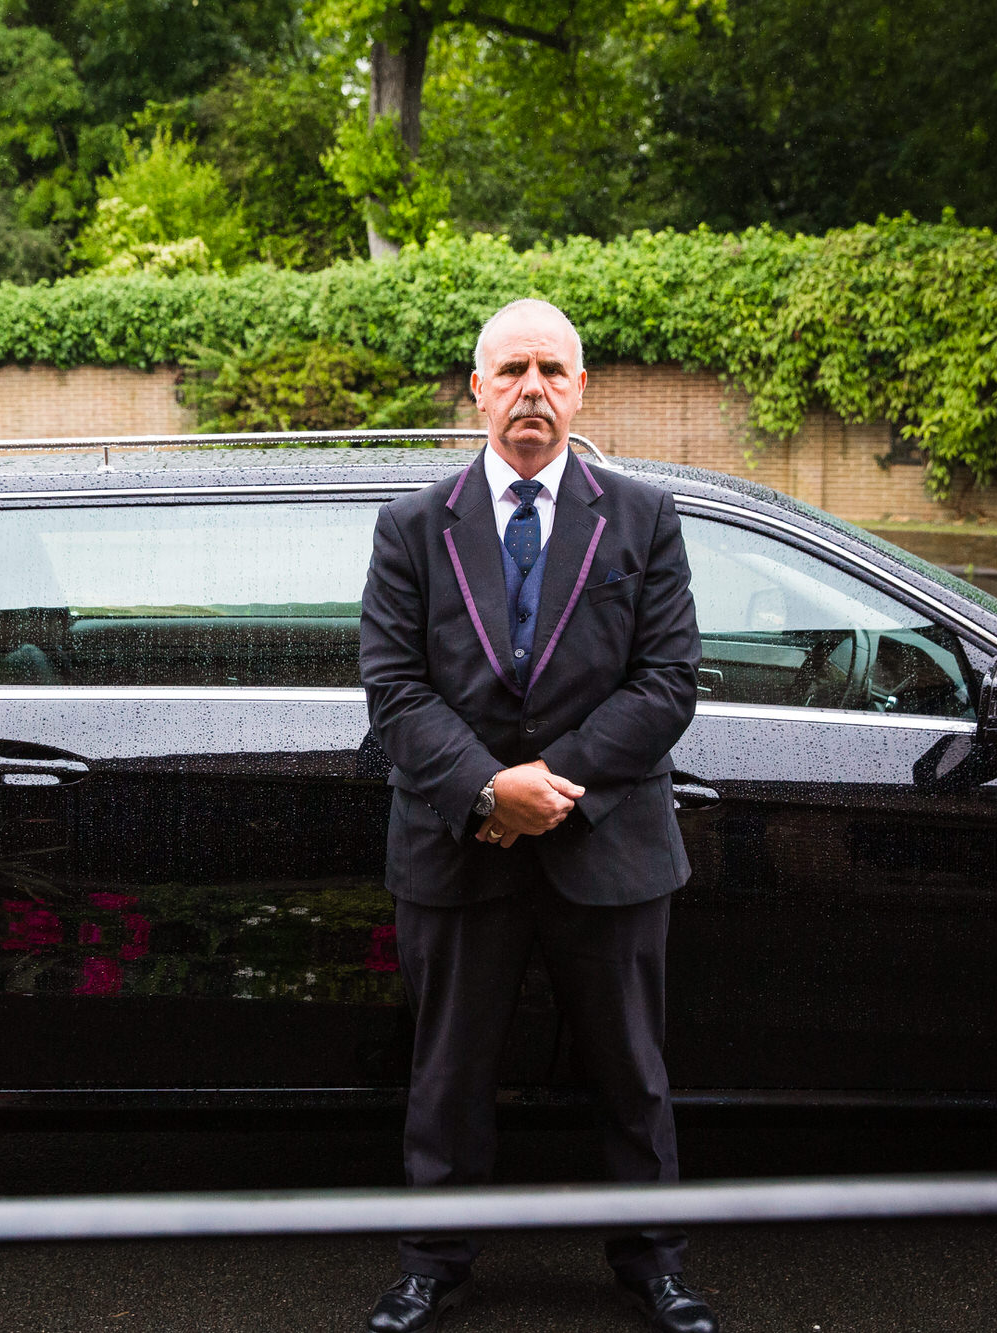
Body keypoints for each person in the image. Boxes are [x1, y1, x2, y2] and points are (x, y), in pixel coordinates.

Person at [358, 299, 713, 1333]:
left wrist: (542, 786)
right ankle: (432, 1264)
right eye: (509, 370)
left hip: (606, 846)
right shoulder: (413, 527)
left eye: (550, 371)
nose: (530, 390)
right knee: (446, 1073)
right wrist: (483, 790)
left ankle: (653, 1263)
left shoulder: (641, 516)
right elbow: (393, 689)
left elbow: (667, 683)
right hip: (452, 847)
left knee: (632, 1075)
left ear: (580, 389)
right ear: (475, 388)